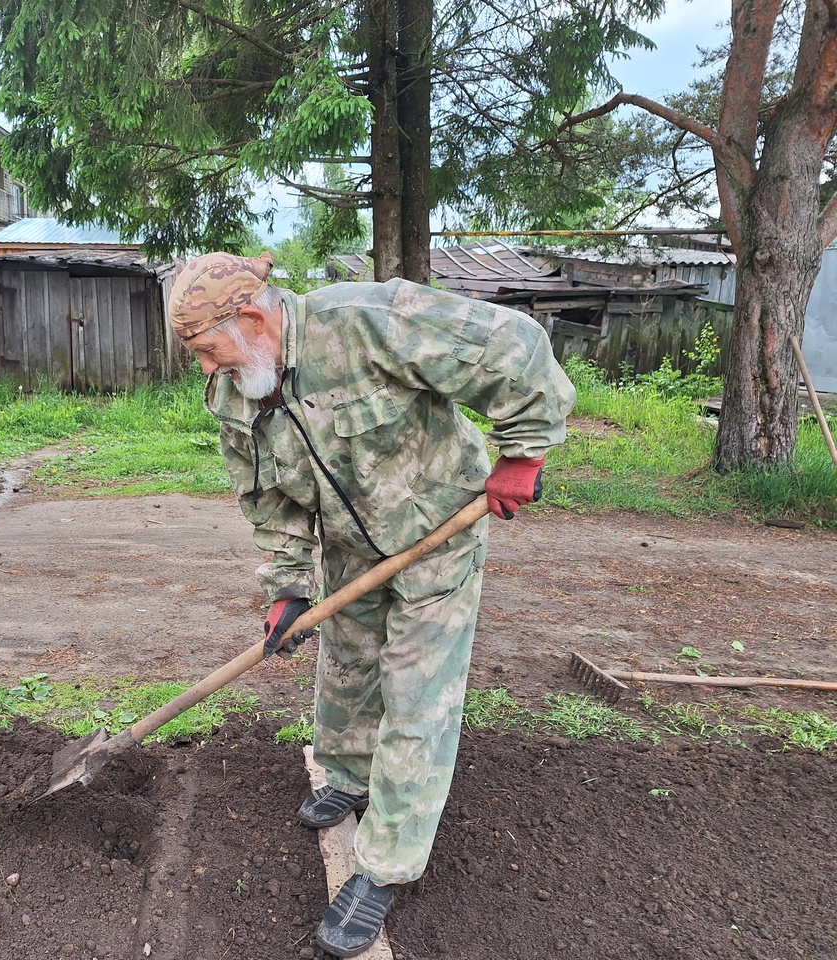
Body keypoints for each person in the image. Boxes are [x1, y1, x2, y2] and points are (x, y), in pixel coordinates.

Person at [167, 252, 576, 957]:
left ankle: (384, 867)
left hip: (436, 535)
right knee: (350, 669)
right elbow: (269, 499)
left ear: (255, 317)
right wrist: (289, 587)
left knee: (417, 697)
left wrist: (523, 453)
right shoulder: (239, 390)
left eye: (209, 350)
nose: (208, 368)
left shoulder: (368, 321)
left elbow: (514, 346)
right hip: (351, 550)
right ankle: (348, 778)